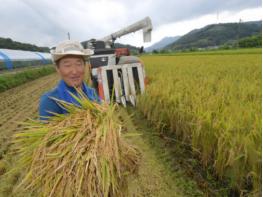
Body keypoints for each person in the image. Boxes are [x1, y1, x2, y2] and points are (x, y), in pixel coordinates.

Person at [39, 40, 99, 120]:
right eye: (67, 65)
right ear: (58, 69)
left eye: (79, 64)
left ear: (84, 66)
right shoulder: (50, 101)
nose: (74, 71)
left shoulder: (92, 93)